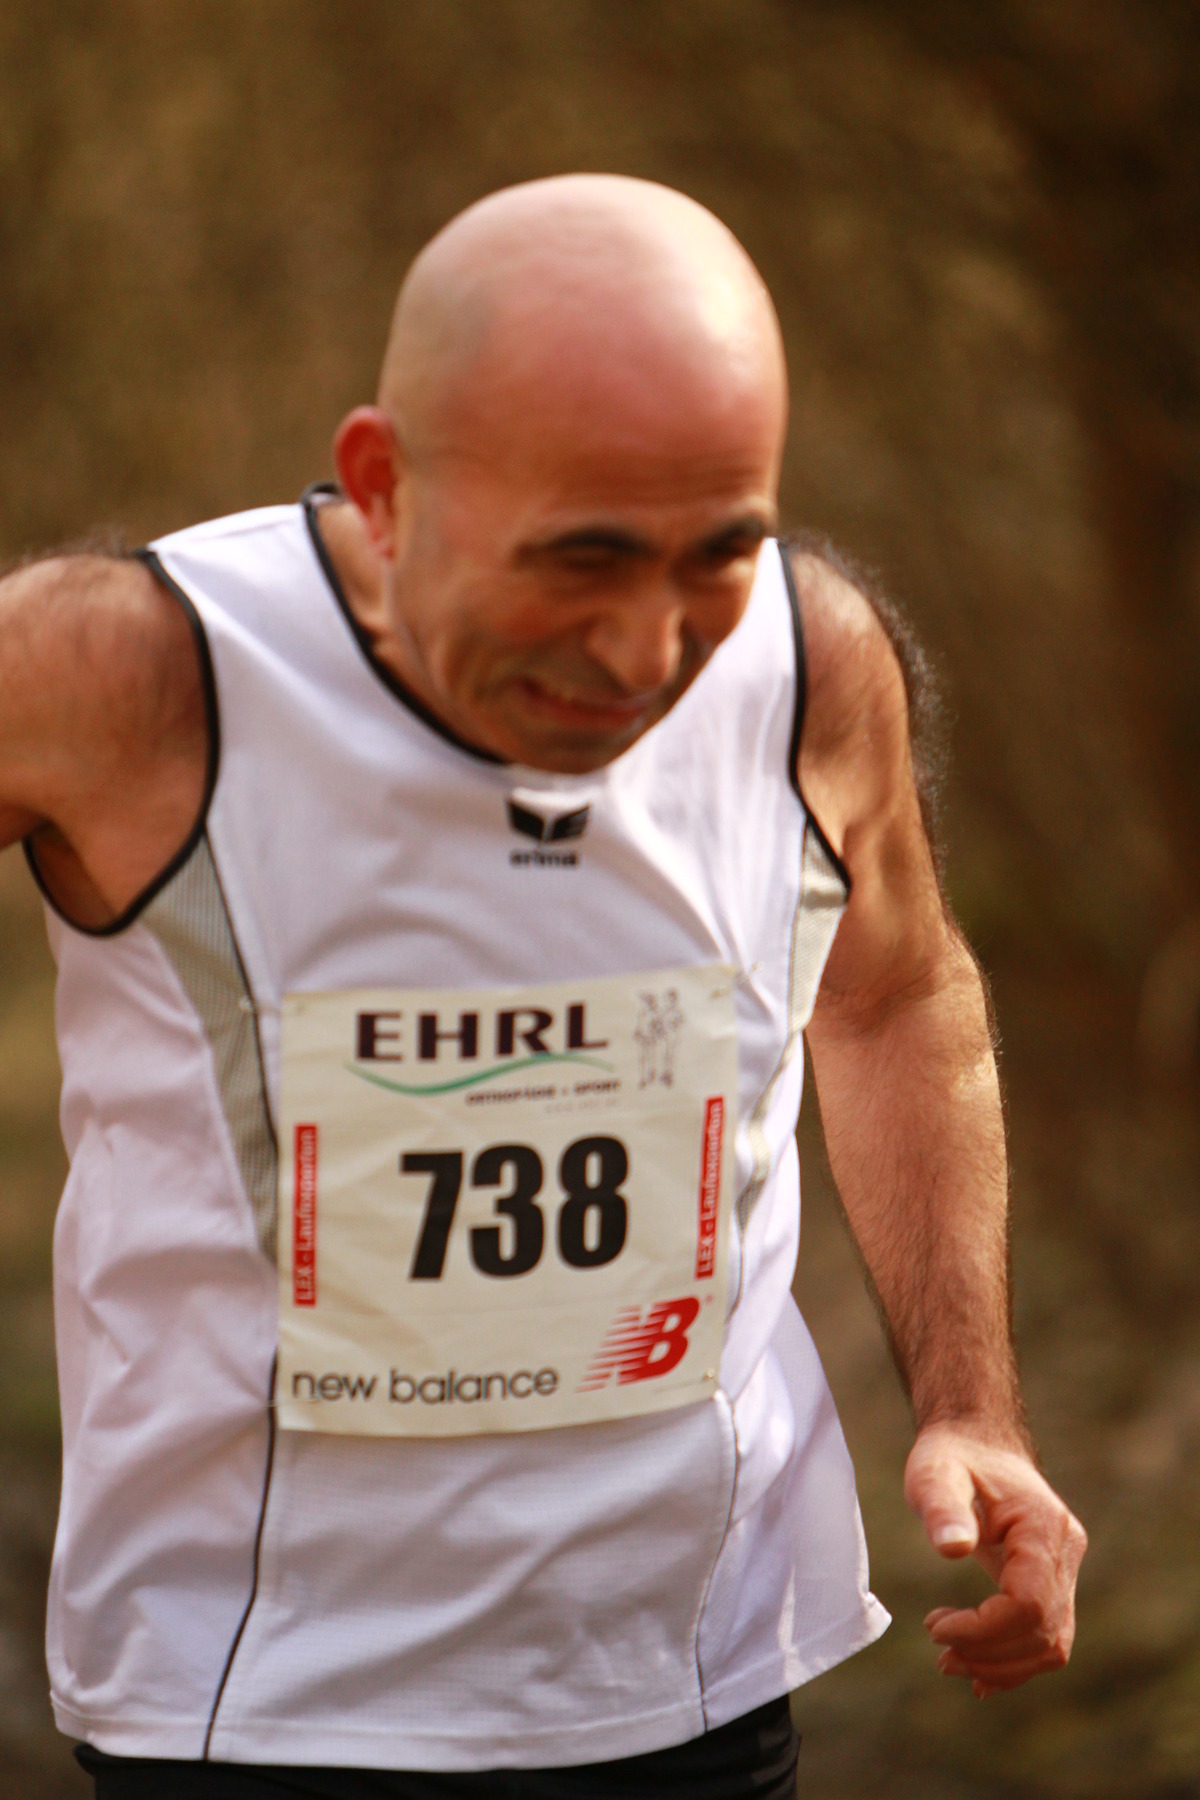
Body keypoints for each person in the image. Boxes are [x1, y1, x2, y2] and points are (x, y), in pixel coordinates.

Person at [0, 175, 1086, 1798]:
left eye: (718, 553)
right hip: (250, 1707)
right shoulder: (129, 671)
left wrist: (972, 1407)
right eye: (581, 559)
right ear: (385, 484)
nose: (646, 652)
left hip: (692, 1680)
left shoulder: (808, 665)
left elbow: (892, 999)